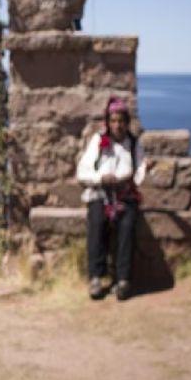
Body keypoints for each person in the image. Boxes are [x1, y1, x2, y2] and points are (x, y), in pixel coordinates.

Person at [76, 96, 146, 301]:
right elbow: (82, 171)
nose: (117, 125)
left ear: (127, 122)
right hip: (100, 192)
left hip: (125, 193)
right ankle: (96, 277)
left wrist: (136, 177)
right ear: (108, 121)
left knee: (127, 225)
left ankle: (123, 279)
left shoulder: (133, 144)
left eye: (121, 121)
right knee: (97, 222)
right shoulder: (98, 141)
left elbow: (140, 169)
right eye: (113, 121)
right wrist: (100, 177)